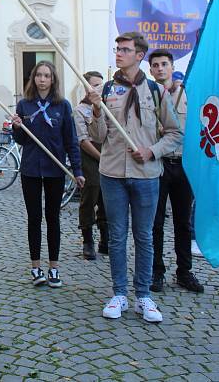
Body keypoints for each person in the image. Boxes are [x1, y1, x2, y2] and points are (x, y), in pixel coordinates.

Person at [86, 32, 182, 323]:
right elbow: (97, 137)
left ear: (139, 55)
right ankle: (119, 294)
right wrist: (96, 111)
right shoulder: (105, 91)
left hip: (146, 175)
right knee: (116, 236)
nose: (119, 53)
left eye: (125, 50)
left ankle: (143, 296)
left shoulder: (156, 92)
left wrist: (152, 151)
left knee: (144, 236)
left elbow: (176, 133)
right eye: (117, 49)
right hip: (112, 173)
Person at [11, 62, 85, 288]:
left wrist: (78, 170)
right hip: (31, 169)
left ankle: (54, 267)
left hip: (55, 170)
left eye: (47, 76)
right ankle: (36, 267)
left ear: (53, 80)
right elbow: (22, 141)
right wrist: (16, 127)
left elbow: (71, 140)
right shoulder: (24, 104)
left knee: (53, 218)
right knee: (34, 218)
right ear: (33, 78)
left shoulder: (62, 106)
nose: (42, 79)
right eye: (39, 75)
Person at [148, 50, 204, 293]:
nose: (160, 69)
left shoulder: (187, 96)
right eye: (155, 65)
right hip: (158, 166)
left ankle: (184, 271)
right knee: (155, 222)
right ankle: (156, 271)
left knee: (182, 222)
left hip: (183, 165)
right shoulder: (147, 96)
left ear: (171, 67)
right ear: (150, 70)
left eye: (164, 64)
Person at [73, 71, 109, 260]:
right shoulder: (79, 110)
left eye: (100, 85)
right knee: (90, 195)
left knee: (106, 196)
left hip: (106, 154)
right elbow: (83, 140)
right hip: (90, 156)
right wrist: (101, 157)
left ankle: (106, 239)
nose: (98, 89)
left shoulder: (104, 107)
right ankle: (88, 241)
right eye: (94, 85)